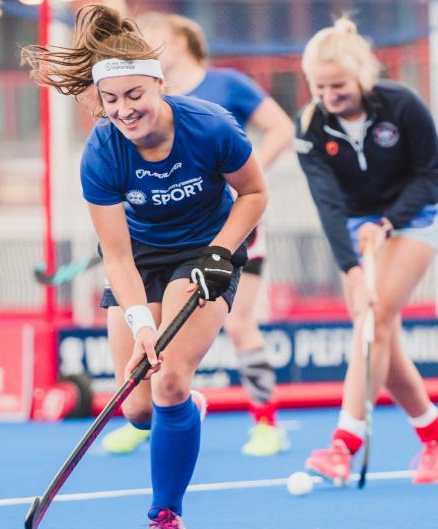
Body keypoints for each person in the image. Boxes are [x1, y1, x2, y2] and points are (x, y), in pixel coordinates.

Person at [22, 5, 267, 527]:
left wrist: (221, 252)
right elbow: (115, 255)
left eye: (135, 96)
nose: (125, 111)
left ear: (159, 84)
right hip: (138, 261)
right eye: (111, 101)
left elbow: (254, 192)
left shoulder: (209, 126)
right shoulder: (102, 154)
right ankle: (187, 409)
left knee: (168, 381)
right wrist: (140, 322)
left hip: (203, 252)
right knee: (136, 408)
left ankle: (165, 513)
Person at [96, 11, 295, 458]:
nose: (143, 39)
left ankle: (265, 421)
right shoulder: (137, 102)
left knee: (241, 321)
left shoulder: (224, 88)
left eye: (155, 33)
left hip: (222, 225)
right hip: (156, 237)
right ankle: (152, 412)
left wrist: (238, 171)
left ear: (182, 40)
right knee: (144, 398)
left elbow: (282, 128)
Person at [294, 16, 438, 486]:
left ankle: (342, 446)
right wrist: (349, 269)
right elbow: (327, 205)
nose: (329, 96)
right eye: (320, 87)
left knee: (377, 318)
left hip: (416, 216)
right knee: (377, 333)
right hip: (356, 223)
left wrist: (387, 224)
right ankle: (435, 437)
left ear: (362, 74)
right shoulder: (309, 127)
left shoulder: (402, 105)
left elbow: (431, 176)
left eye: (339, 85)